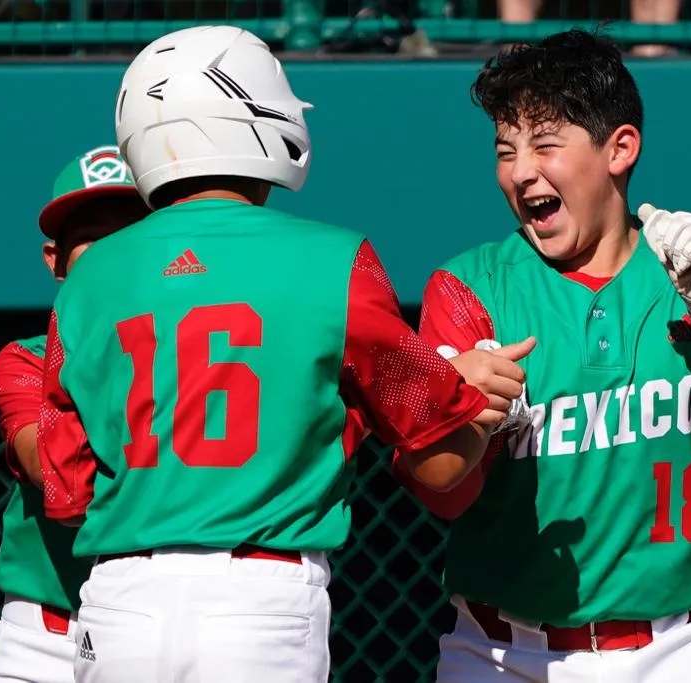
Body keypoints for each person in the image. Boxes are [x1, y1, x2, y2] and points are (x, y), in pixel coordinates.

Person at [36, 25, 529, 683]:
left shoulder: (87, 280)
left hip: (118, 604)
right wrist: (478, 395)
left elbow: (66, 490)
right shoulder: (335, 258)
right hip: (259, 601)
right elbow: (439, 460)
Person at [396, 29, 691, 683]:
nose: (520, 171)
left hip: (682, 649)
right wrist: (468, 416)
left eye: (545, 145)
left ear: (619, 149)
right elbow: (440, 488)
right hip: (500, 653)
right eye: (505, 150)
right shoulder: (469, 286)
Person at [0, 144, 150, 683]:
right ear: (55, 260)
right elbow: (51, 472)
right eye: (94, 237)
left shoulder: (202, 355)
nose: (113, 252)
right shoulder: (26, 358)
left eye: (133, 232)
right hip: (48, 635)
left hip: (158, 623)